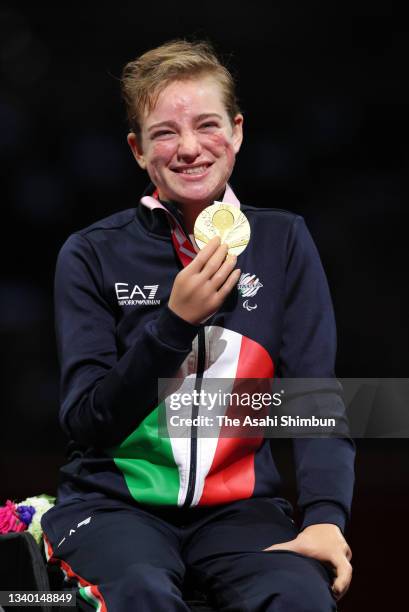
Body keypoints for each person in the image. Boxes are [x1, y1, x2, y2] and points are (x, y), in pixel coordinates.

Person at [41, 39, 355, 611]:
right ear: (138, 150)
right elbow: (87, 421)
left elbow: (314, 396)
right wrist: (171, 326)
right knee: (143, 590)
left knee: (300, 598)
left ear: (236, 131)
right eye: (164, 132)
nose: (188, 148)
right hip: (113, 507)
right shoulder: (90, 253)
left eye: (207, 125)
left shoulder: (283, 242)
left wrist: (327, 518)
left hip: (240, 514)